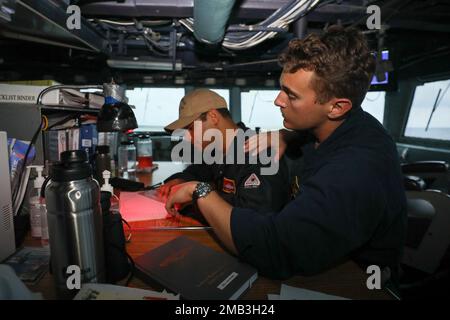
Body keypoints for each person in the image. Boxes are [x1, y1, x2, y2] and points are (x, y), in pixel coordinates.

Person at [165, 26, 407, 285]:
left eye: (291, 95)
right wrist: (287, 134)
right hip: (320, 260)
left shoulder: (356, 169)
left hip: (358, 280)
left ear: (336, 107)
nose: (278, 101)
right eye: (282, 89)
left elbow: (274, 251)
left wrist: (199, 191)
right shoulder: (332, 127)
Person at [160, 88, 291, 215]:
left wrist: (196, 199)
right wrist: (181, 180)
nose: (188, 138)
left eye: (191, 129)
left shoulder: (257, 152)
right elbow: (199, 171)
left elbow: (255, 213)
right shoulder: (217, 151)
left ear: (213, 117)